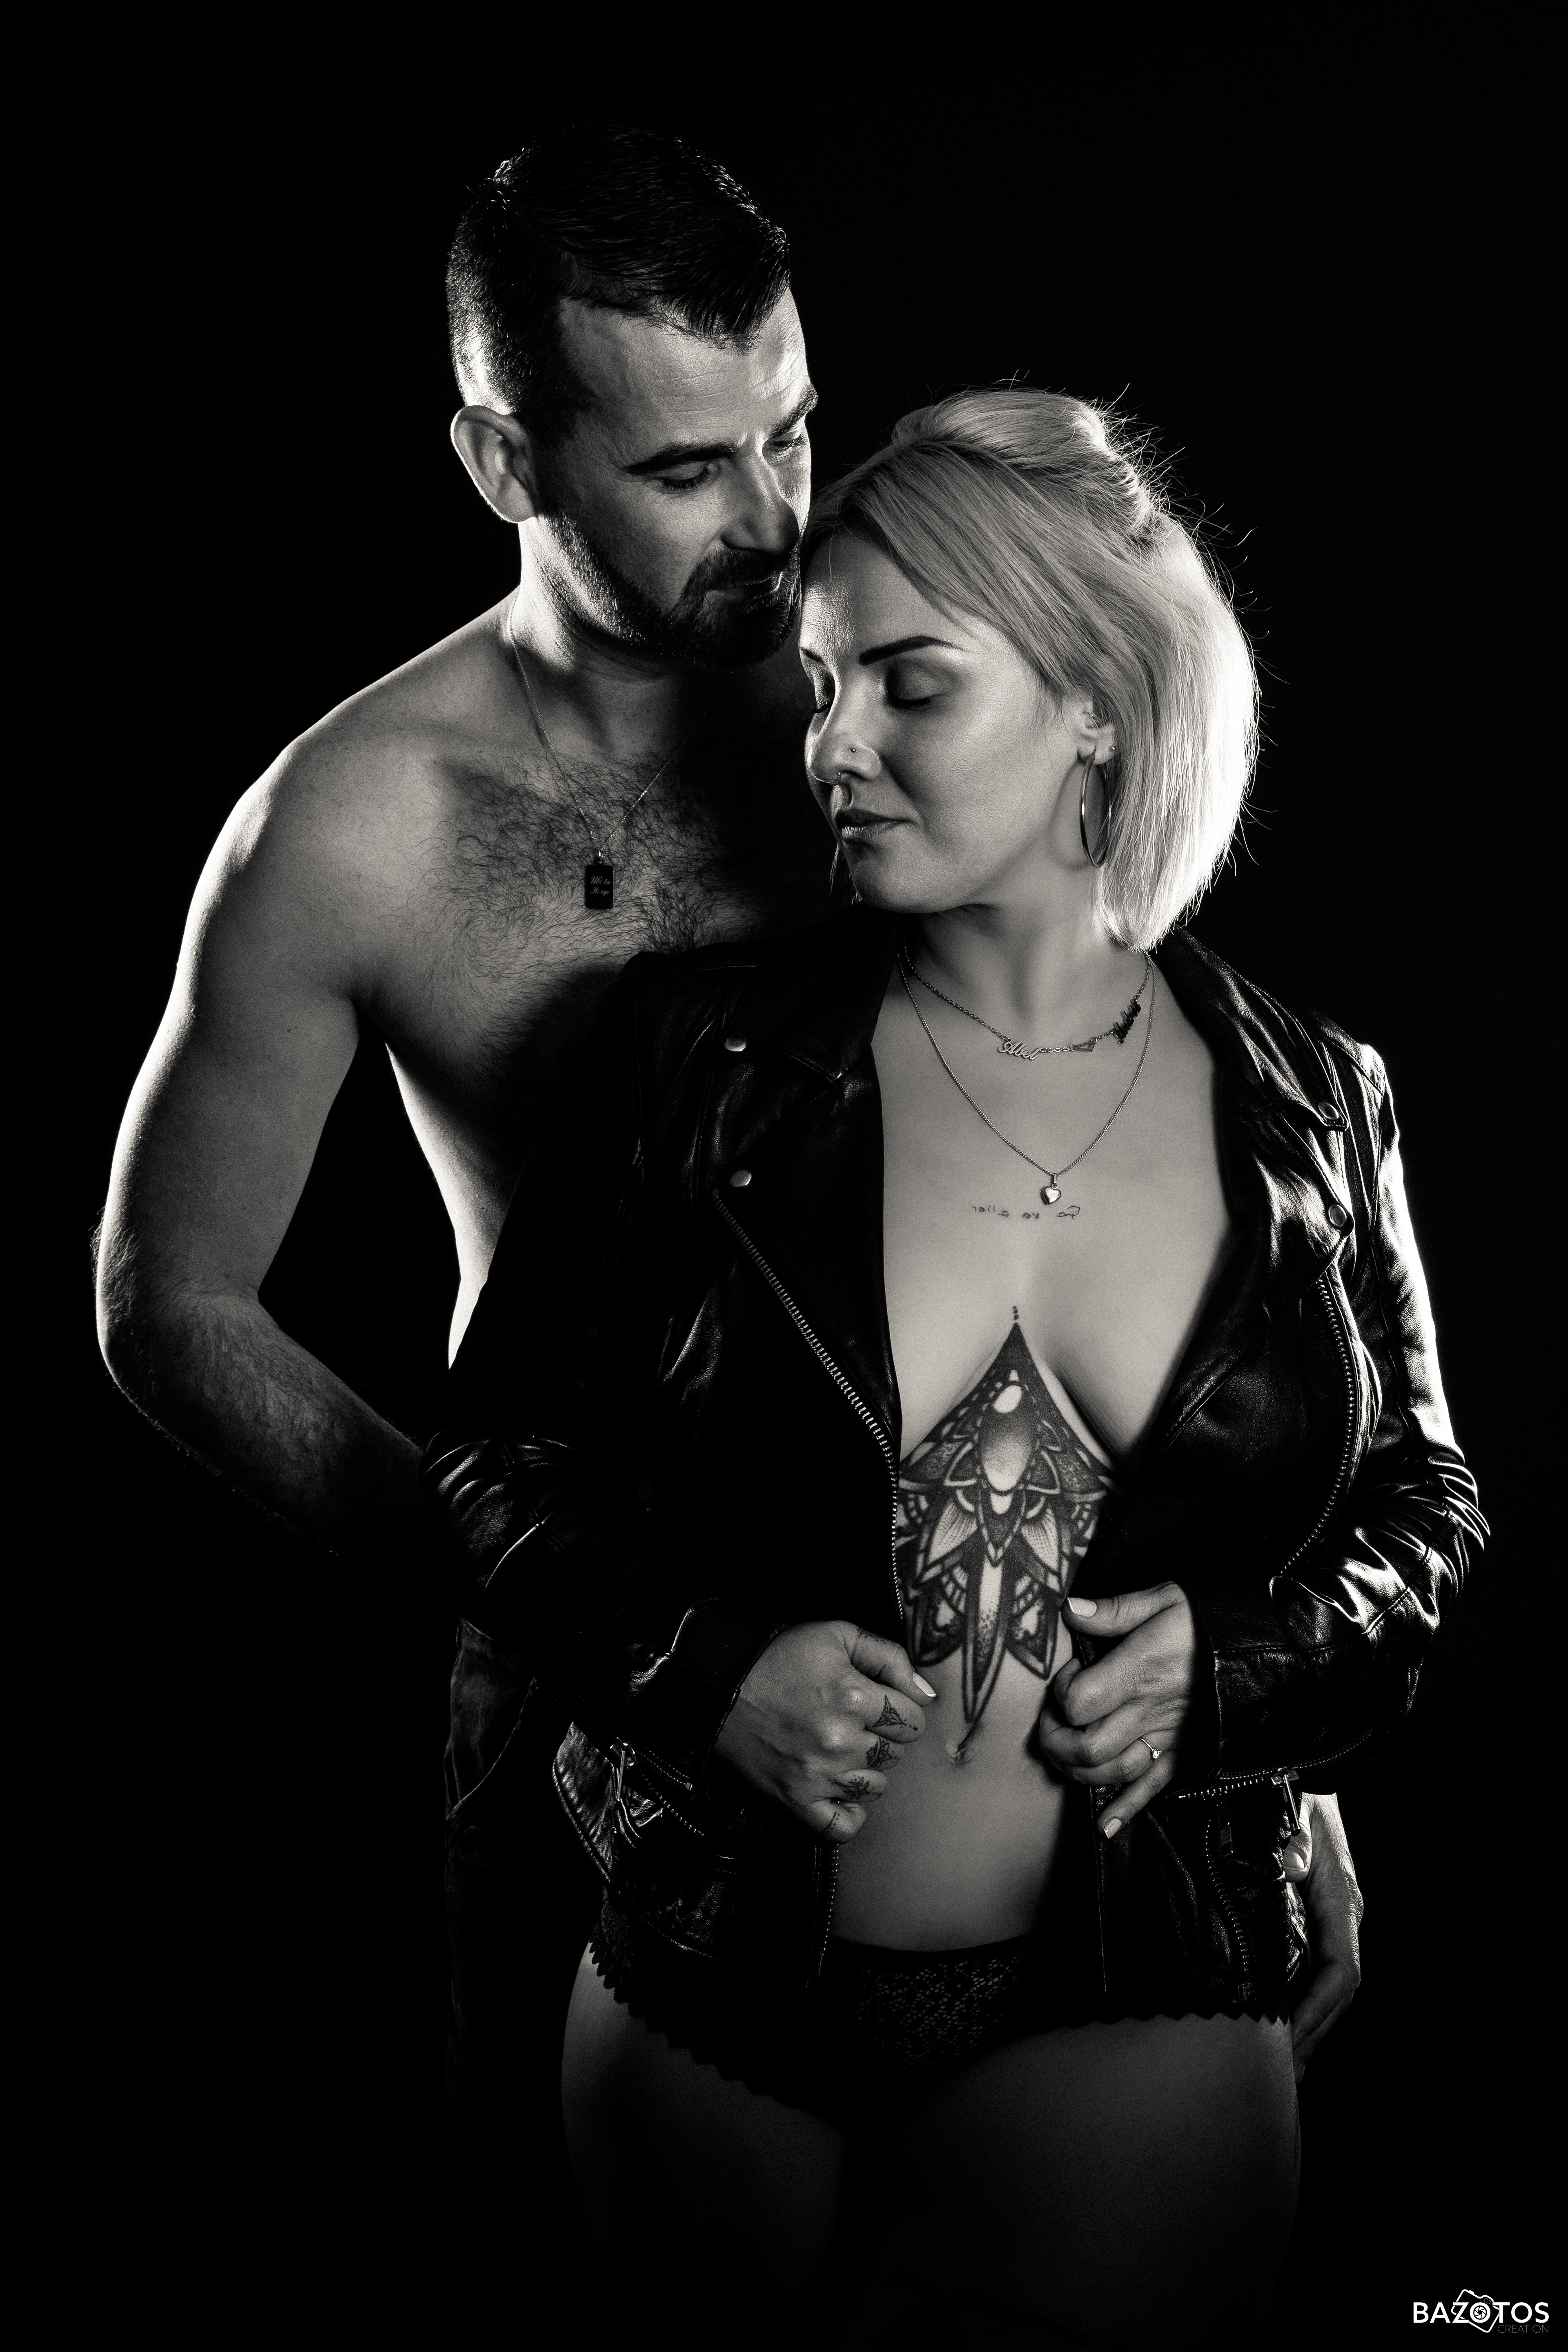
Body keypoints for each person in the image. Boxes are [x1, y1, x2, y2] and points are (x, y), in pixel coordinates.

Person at [94, 127, 1365, 2206]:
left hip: (1010, 1664)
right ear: (505, 461)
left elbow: (1161, 1228)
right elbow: (170, 1300)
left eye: (789, 432)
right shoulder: (360, 824)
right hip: (581, 1657)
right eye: (687, 470)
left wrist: (1253, 1719)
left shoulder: (911, 692)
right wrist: (588, 1620)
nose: (774, 520)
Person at [425, 387, 1485, 2347]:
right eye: (823, 687)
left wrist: (1241, 1673)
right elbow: (491, 1455)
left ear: (1096, 706)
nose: (833, 747)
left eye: (911, 687)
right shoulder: (696, 1053)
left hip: (1135, 1983)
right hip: (709, 1984)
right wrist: (710, 1668)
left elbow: (1426, 1509)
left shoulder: (1317, 1103)